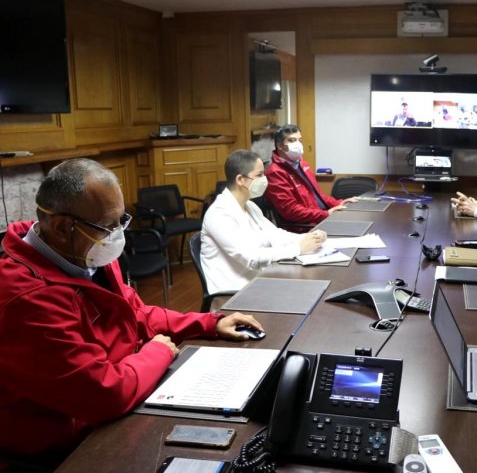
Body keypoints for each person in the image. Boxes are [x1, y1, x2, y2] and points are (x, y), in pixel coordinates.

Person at [0, 159, 262, 462]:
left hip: (122, 401)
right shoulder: (25, 300)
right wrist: (158, 352)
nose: (117, 236)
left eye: (121, 221)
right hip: (60, 451)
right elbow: (104, 394)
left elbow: (135, 312)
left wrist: (208, 323)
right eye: (108, 226)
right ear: (61, 226)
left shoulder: (83, 251)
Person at [201, 149, 327, 294]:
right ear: (240, 180)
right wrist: (299, 248)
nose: (265, 179)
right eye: (259, 175)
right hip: (233, 294)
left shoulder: (250, 205)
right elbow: (251, 258)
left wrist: (309, 238)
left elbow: (275, 235)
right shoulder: (219, 214)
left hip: (257, 282)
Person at [265, 124, 356, 227]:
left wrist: (339, 203)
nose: (298, 144)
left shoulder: (302, 164)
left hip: (320, 218)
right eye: (292, 140)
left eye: (300, 140)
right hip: (306, 227)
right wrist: (325, 214)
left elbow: (318, 195)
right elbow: (290, 210)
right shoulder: (275, 173)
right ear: (280, 146)